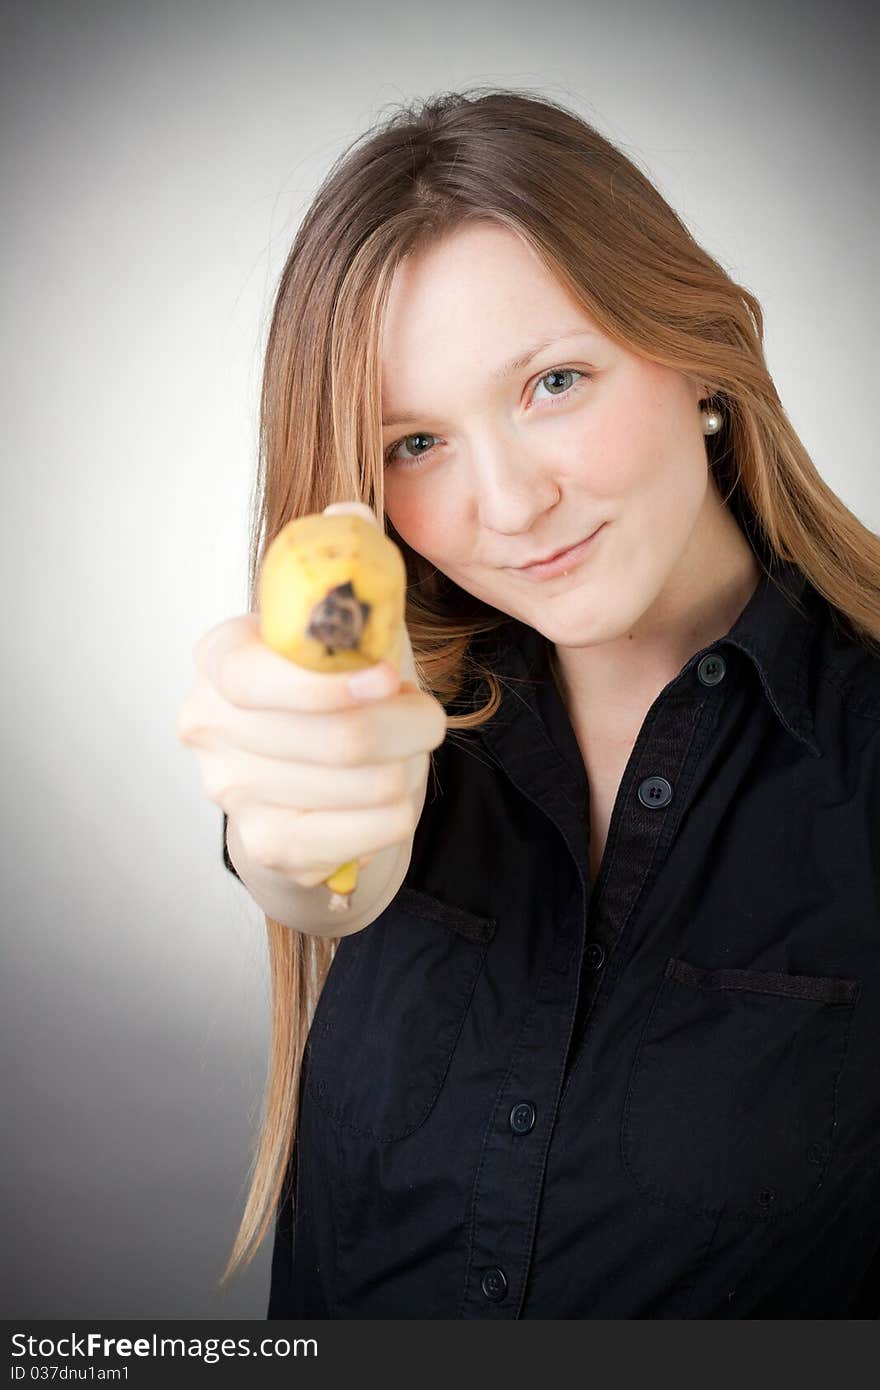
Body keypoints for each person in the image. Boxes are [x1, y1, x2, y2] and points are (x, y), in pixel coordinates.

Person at [177, 87, 880, 1318]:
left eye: (555, 381)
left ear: (697, 357)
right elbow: (315, 865)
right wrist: (293, 846)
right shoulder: (400, 711)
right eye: (415, 443)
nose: (505, 505)